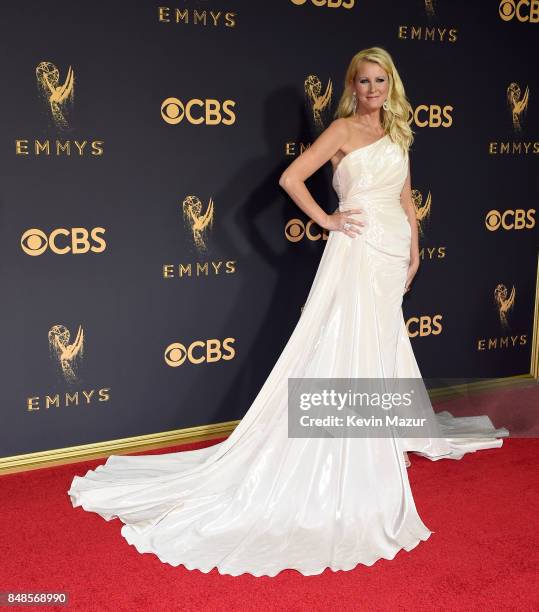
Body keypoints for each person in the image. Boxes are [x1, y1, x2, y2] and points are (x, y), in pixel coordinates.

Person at [68, 47, 507, 577]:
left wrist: (416, 246)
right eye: (364, 81)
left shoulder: (399, 132)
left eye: (381, 80)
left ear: (392, 84)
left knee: (382, 339)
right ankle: (348, 450)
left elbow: (407, 197)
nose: (373, 89)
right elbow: (291, 178)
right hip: (358, 248)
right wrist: (327, 219)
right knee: (349, 342)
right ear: (353, 87)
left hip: (393, 251)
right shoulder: (342, 131)